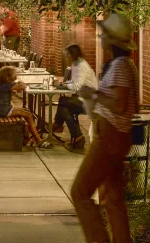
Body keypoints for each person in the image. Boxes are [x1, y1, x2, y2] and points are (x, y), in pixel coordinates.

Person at [71, 13, 139, 243]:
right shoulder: (123, 64)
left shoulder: (120, 66)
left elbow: (120, 104)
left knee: (80, 192)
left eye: (104, 34)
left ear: (112, 40)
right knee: (112, 198)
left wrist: (95, 94)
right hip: (115, 135)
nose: (100, 37)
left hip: (110, 135)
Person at [0, 66, 52, 149]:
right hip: (3, 111)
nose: (16, 74)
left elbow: (20, 87)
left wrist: (19, 83)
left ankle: (28, 138)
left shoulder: (4, 85)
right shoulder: (7, 85)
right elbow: (23, 87)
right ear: (8, 76)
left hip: (3, 109)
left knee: (27, 111)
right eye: (14, 73)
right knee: (28, 115)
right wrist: (20, 82)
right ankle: (38, 139)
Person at [52, 44, 97, 149]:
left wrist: (62, 85)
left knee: (63, 100)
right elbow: (74, 81)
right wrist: (62, 84)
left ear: (73, 54)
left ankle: (58, 124)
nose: (66, 57)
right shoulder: (76, 64)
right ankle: (78, 137)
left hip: (89, 101)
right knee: (64, 108)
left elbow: (76, 86)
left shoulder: (82, 66)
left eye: (67, 55)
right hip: (82, 97)